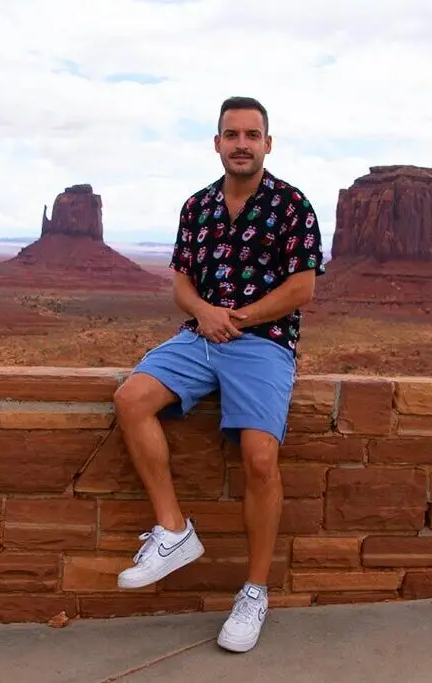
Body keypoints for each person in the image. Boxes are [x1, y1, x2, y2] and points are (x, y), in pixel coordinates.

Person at [112, 96, 323, 653]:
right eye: (232, 134)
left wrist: (240, 317)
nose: (242, 144)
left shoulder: (292, 205)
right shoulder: (197, 206)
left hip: (263, 342)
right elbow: (181, 281)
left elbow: (303, 288)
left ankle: (254, 593)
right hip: (200, 337)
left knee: (259, 458)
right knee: (132, 398)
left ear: (268, 144)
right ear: (217, 142)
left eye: (252, 135)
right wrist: (205, 313)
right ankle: (173, 529)